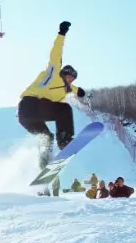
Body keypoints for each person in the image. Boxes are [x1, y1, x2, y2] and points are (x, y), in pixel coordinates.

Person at [17, 21, 87, 172]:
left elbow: (70, 88)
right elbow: (56, 53)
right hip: (31, 104)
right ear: (64, 73)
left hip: (26, 117)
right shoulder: (54, 72)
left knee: (46, 138)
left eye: (73, 80)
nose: (71, 81)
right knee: (64, 109)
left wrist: (78, 90)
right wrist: (61, 34)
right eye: (69, 77)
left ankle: (43, 171)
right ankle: (65, 141)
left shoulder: (65, 90)